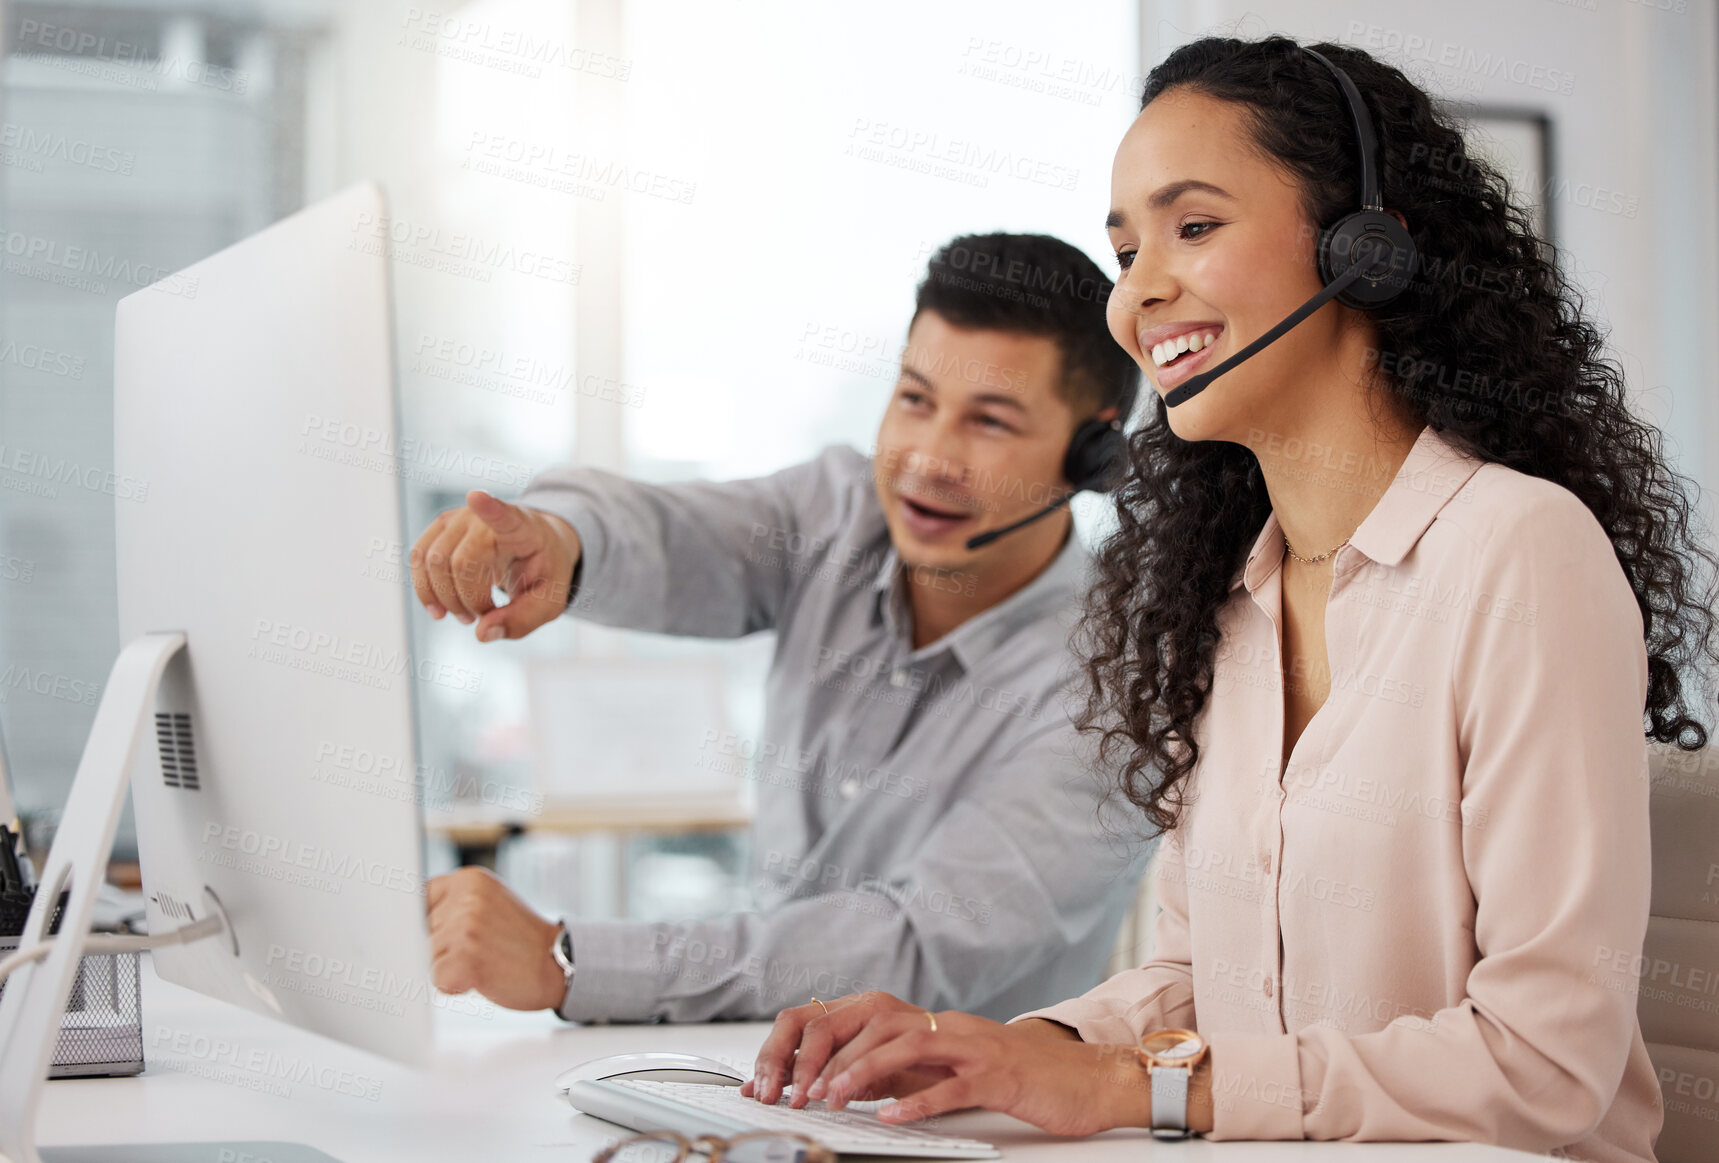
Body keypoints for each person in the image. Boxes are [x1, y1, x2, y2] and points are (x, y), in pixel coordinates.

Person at [745, 36, 1715, 1161]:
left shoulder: (1517, 550)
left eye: (1193, 227)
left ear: (1362, 251)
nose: (1137, 292)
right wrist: (998, 1051)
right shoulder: (1225, 595)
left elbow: (1543, 1064)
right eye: (1124, 249)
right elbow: (1201, 979)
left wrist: (1132, 1086)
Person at [409, 232, 1153, 1023]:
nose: (928, 458)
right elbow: (672, 533)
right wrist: (562, 541)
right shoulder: (832, 516)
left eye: (990, 423)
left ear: (1094, 456)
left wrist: (570, 960)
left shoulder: (1115, 691)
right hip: (745, 1080)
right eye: (914, 400)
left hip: (962, 1135)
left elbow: (910, 948)